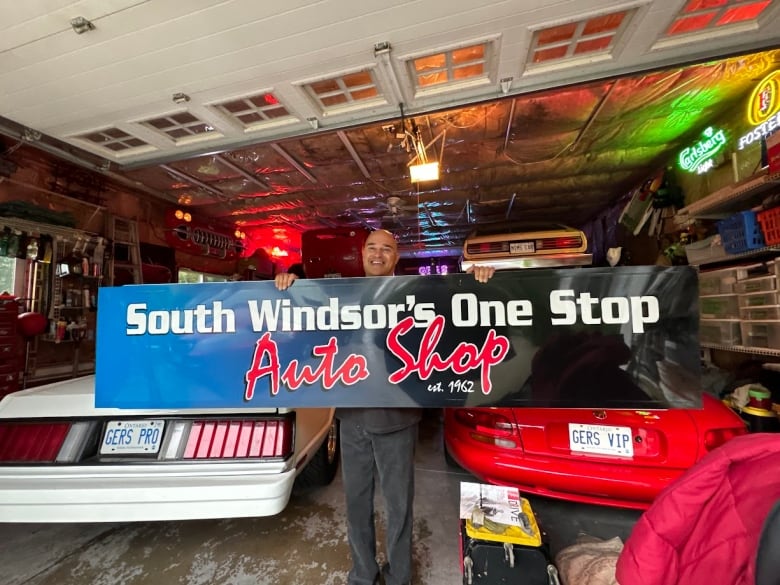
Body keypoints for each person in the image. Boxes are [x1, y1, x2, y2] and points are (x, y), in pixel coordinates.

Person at [275, 229, 494, 585]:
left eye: (386, 249)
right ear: (362, 253)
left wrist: (475, 282)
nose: (378, 254)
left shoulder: (417, 293)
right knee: (356, 505)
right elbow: (303, 315)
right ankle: (363, 574)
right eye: (372, 248)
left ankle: (399, 577)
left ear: (397, 256)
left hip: (397, 419)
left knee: (399, 507)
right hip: (352, 418)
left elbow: (461, 310)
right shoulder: (342, 294)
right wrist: (289, 282)